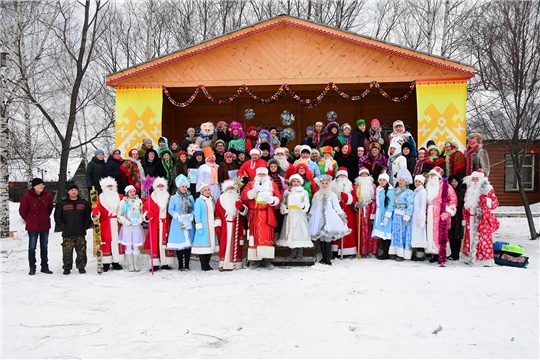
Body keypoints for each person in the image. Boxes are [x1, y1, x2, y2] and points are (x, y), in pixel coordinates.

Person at [240, 167, 283, 269]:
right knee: (254, 237)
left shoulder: (272, 184)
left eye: (264, 174)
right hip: (254, 214)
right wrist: (254, 191)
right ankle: (255, 260)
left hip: (267, 214)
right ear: (257, 175)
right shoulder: (251, 184)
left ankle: (267, 260)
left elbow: (279, 196)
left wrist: (272, 200)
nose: (262, 176)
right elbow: (244, 196)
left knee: (267, 236)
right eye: (260, 174)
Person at [308, 175, 350, 266]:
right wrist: (310, 217)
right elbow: (313, 207)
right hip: (318, 218)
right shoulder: (317, 194)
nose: (324, 185)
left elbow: (337, 207)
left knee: (327, 237)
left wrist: (342, 217)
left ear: (329, 184)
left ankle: (328, 259)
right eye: (322, 183)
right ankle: (323, 257)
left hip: (329, 218)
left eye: (326, 183)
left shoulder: (332, 195)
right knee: (321, 238)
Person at [461, 169, 499, 266]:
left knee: (482, 238)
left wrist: (486, 200)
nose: (474, 181)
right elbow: (465, 206)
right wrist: (464, 219)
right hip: (470, 218)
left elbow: (495, 204)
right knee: (469, 237)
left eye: (476, 179)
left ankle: (482, 259)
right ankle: (469, 257)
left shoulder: (487, 189)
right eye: (473, 179)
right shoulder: (469, 190)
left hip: (482, 218)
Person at [53, 184, 92, 275]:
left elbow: (88, 216)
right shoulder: (62, 203)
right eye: (72, 190)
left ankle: (81, 266)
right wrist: (62, 227)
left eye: (75, 190)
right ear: (68, 192)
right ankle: (67, 267)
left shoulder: (83, 203)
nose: (74, 192)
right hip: (67, 232)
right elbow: (57, 217)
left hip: (80, 231)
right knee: (67, 251)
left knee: (81, 251)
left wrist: (85, 226)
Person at [20, 178, 54, 275]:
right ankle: (32, 267)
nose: (42, 186)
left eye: (43, 184)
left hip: (44, 225)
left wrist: (44, 217)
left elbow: (49, 209)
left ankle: (44, 266)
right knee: (32, 247)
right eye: (40, 185)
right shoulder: (27, 197)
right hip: (32, 226)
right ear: (34, 186)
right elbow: (22, 211)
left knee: (44, 246)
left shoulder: (47, 196)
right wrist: (30, 219)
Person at [424, 166, 458, 267]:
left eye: (434, 174)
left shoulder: (446, 186)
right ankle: (434, 253)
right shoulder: (427, 186)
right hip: (430, 212)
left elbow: (453, 200)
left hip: (440, 213)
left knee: (441, 234)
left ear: (438, 176)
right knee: (430, 233)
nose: (431, 176)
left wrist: (447, 212)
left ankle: (442, 254)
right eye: (431, 175)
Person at [91, 177, 124, 272]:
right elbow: (95, 209)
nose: (110, 187)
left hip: (117, 223)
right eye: (108, 186)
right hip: (105, 223)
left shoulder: (120, 197)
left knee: (117, 242)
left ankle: (116, 262)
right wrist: (95, 212)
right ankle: (105, 262)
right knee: (105, 243)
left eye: (112, 186)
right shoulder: (98, 198)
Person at [215, 179, 248, 271]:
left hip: (236, 225)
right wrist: (218, 227)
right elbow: (217, 214)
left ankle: (236, 264)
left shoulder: (238, 198)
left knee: (236, 245)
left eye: (232, 187)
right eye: (228, 187)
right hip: (225, 226)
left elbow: (245, 212)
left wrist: (241, 208)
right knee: (224, 245)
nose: (230, 189)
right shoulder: (220, 199)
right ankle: (223, 264)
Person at [277, 174, 313, 259]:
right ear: (291, 182)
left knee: (299, 233)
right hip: (290, 215)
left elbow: (307, 203)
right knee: (291, 233)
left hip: (300, 215)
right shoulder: (287, 192)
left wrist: (303, 206)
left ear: (300, 182)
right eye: (294, 181)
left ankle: (300, 253)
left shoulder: (304, 192)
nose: (296, 183)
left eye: (297, 181)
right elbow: (283, 203)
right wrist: (284, 208)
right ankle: (292, 253)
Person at [143, 177, 175, 271]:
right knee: (155, 243)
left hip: (166, 223)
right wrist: (146, 214)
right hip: (154, 224)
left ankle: (166, 263)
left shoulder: (169, 197)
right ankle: (155, 264)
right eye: (158, 185)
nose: (160, 187)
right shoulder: (150, 198)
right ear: (155, 187)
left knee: (166, 243)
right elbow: (144, 209)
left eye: (162, 185)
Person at [167, 175, 195, 271]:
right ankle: (180, 265)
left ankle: (186, 264)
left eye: (185, 186)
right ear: (179, 187)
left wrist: (192, 215)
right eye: (182, 186)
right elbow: (170, 209)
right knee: (179, 245)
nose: (184, 188)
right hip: (177, 224)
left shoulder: (190, 197)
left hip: (188, 223)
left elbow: (194, 208)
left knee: (188, 245)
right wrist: (177, 216)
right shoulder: (174, 198)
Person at [117, 185, 145, 272]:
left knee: (136, 245)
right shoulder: (122, 203)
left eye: (133, 191)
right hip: (127, 227)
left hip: (136, 227)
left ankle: (136, 264)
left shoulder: (139, 201)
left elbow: (142, 212)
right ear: (127, 193)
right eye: (130, 192)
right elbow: (119, 214)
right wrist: (125, 221)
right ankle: (131, 264)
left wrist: (141, 219)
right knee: (128, 245)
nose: (132, 193)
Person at [388, 169, 414, 261]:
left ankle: (402, 254)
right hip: (396, 215)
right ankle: (395, 251)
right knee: (396, 233)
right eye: (400, 180)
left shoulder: (409, 192)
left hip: (403, 215)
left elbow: (410, 205)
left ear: (406, 182)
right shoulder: (396, 191)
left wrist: (407, 216)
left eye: (403, 180)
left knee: (402, 234)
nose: (401, 182)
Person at [331, 168, 358, 258]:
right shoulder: (332, 185)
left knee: (348, 228)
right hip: (336, 210)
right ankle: (335, 250)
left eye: (343, 175)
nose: (342, 177)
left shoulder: (350, 185)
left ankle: (348, 250)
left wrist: (347, 198)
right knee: (336, 229)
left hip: (347, 210)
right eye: (340, 175)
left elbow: (354, 198)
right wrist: (338, 202)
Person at [192, 184, 218, 271]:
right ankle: (204, 265)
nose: (208, 191)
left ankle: (207, 264)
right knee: (203, 247)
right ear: (202, 192)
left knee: (210, 246)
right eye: (205, 190)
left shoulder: (211, 200)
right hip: (203, 227)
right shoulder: (199, 201)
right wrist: (198, 226)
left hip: (211, 227)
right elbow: (197, 214)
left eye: (208, 189)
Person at [355, 168, 377, 258]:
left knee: (370, 230)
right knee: (358, 229)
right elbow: (353, 198)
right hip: (359, 212)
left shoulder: (373, 186)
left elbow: (375, 200)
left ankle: (370, 250)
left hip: (369, 211)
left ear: (369, 176)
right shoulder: (356, 187)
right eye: (362, 175)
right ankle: (359, 250)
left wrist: (372, 213)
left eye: (365, 174)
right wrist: (356, 205)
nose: (364, 176)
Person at [372, 173, 395, 260]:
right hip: (380, 213)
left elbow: (391, 204)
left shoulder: (390, 191)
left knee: (386, 233)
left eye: (383, 180)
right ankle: (384, 252)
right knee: (381, 234)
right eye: (380, 180)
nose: (382, 182)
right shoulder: (379, 190)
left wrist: (387, 216)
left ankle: (386, 253)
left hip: (385, 214)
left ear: (387, 181)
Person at [410, 175, 428, 261]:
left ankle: (420, 254)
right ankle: (417, 253)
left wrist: (421, 216)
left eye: (419, 182)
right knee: (416, 234)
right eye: (416, 181)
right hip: (415, 215)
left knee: (420, 234)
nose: (417, 183)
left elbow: (423, 204)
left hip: (419, 215)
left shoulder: (422, 191)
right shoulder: (416, 191)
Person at [448, 174, 465, 261]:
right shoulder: (449, 191)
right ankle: (452, 253)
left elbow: (460, 204)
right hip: (450, 214)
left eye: (455, 181)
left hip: (458, 215)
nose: (454, 183)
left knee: (457, 234)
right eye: (452, 181)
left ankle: (456, 254)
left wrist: (452, 205)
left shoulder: (462, 191)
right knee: (450, 234)